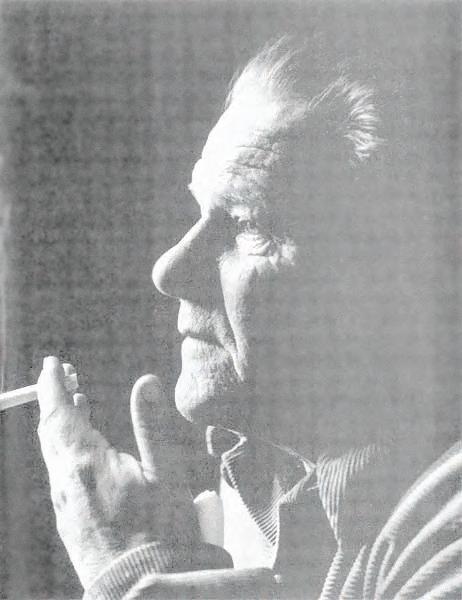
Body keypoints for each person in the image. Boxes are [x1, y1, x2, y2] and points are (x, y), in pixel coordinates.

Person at [36, 39, 460, 599]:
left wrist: (130, 567)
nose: (168, 270)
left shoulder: (448, 536)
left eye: (249, 225)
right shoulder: (262, 471)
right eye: (199, 210)